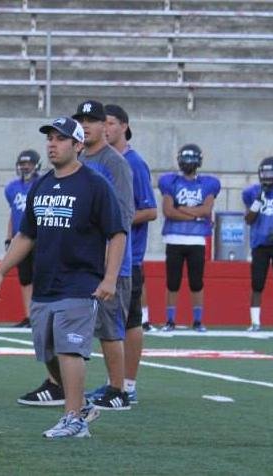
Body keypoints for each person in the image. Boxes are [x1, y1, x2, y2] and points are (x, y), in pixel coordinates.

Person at [0, 116, 127, 438]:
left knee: (69, 349)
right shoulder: (42, 184)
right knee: (48, 352)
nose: (52, 144)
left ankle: (74, 419)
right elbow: (27, 234)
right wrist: (2, 268)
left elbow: (116, 234)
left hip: (80, 282)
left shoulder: (95, 184)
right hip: (45, 282)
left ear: (78, 145)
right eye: (49, 138)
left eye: (60, 138)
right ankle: (80, 405)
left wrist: (109, 278)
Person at [73, 100, 135, 411]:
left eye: (93, 120)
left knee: (110, 328)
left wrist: (112, 269)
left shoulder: (115, 163)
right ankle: (66, 386)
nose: (86, 125)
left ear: (105, 126)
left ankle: (118, 389)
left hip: (110, 259)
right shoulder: (78, 157)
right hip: (81, 258)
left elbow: (122, 217)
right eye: (81, 120)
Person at [104, 104, 157, 404]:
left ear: (124, 126)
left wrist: (114, 218)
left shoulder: (133, 163)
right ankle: (115, 380)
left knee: (130, 320)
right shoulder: (104, 161)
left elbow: (149, 210)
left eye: (111, 123)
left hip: (128, 256)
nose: (106, 128)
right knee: (109, 324)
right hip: (104, 254)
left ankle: (128, 383)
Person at [158, 144, 221, 332]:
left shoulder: (208, 183)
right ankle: (170, 320)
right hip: (174, 238)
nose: (188, 162)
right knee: (172, 281)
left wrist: (182, 209)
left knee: (196, 282)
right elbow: (168, 211)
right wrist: (196, 215)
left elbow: (206, 209)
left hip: (197, 240)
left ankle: (198, 320)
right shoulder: (171, 181)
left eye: (191, 158)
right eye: (185, 158)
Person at [242, 156, 273, 332]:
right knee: (257, 283)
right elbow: (249, 220)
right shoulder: (252, 192)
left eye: (271, 172)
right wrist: (258, 201)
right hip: (260, 244)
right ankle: (255, 322)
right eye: (264, 172)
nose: (267, 176)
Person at [4, 149, 41, 328]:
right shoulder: (12, 187)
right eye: (23, 164)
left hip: (40, 237)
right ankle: (29, 316)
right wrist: (8, 237)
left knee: (40, 277)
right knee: (25, 278)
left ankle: (40, 315)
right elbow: (13, 213)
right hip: (20, 237)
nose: (26, 167)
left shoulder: (42, 183)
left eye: (29, 164)